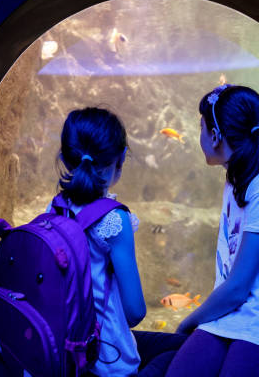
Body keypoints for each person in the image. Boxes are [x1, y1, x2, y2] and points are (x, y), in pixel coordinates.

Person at [165, 85, 259, 377]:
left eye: (201, 127)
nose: (200, 136)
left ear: (215, 135)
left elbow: (238, 287)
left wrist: (189, 321)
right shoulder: (237, 180)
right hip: (232, 314)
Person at [52, 107, 186, 376]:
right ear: (122, 158)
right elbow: (134, 311)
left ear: (65, 158)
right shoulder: (114, 220)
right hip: (103, 358)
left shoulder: (54, 209)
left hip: (61, 349)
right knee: (187, 352)